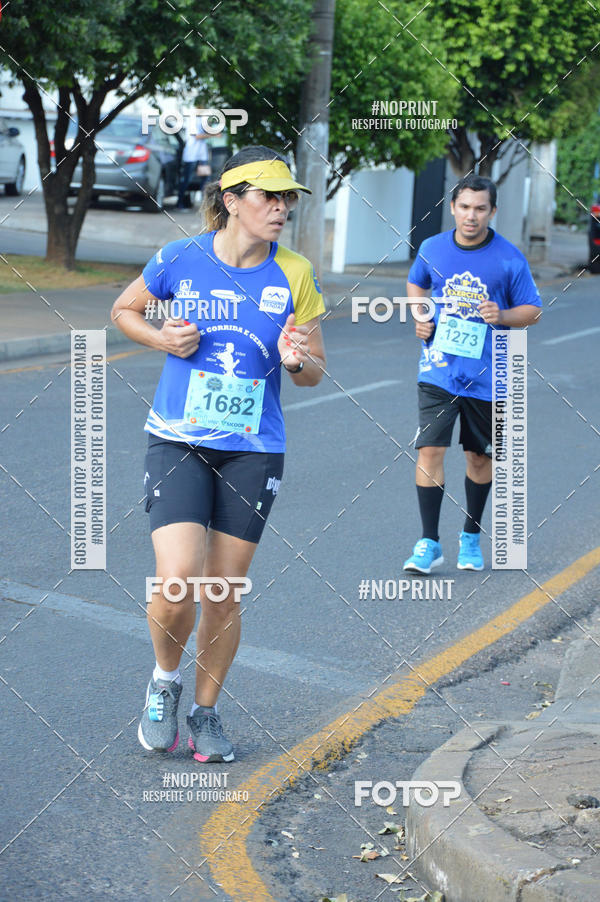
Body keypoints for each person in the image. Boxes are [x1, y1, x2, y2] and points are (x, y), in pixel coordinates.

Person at [111, 146, 326, 762]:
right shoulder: (180, 258)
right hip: (177, 439)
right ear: (231, 201)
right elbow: (124, 310)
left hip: (253, 451)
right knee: (177, 579)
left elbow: (315, 369)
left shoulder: (295, 274)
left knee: (224, 591)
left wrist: (297, 360)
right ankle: (164, 682)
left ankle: (205, 713)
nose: (281, 208)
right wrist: (162, 338)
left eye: (287, 198)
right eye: (268, 196)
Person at [403, 174, 542, 574]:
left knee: (479, 458)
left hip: (488, 376)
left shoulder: (509, 258)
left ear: (492, 211)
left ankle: (470, 535)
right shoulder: (432, 248)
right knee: (430, 450)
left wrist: (503, 315)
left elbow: (533, 310)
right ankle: (429, 542)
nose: (471, 216)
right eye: (464, 207)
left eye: (480, 209)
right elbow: (416, 283)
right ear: (452, 208)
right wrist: (421, 315)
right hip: (439, 371)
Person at [176, 129, 210, 210]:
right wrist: (212, 134)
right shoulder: (192, 122)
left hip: (202, 156)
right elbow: (197, 136)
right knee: (187, 180)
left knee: (206, 180)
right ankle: (180, 203)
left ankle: (205, 204)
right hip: (191, 156)